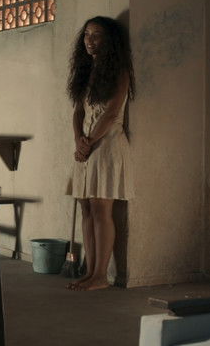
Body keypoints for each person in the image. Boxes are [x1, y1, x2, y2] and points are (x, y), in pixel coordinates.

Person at [65, 16, 136, 291]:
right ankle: (89, 271)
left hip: (107, 146)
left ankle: (101, 276)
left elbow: (111, 113)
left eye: (96, 35)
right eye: (86, 35)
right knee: (86, 208)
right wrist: (79, 141)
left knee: (100, 209)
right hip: (85, 148)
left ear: (109, 41)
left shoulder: (120, 72)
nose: (89, 41)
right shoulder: (86, 72)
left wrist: (89, 142)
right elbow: (78, 112)